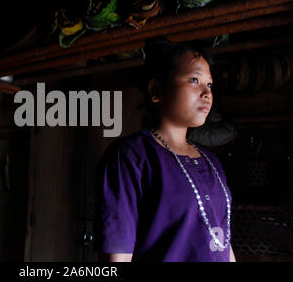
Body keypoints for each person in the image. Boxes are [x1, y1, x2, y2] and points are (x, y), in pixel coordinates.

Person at [94, 38, 236, 262]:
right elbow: (117, 254)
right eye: (194, 80)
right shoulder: (130, 156)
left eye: (209, 84)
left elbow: (223, 244)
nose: (206, 93)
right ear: (156, 89)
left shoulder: (211, 161)